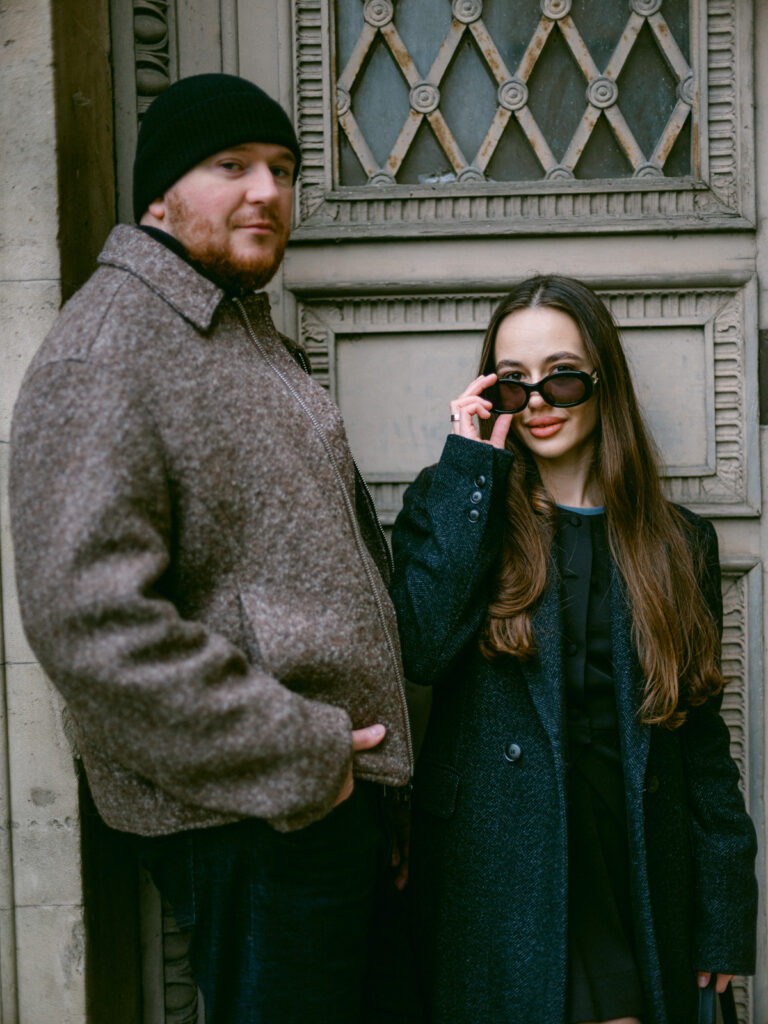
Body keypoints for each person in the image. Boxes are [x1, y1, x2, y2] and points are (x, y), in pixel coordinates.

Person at [9, 73, 412, 1024]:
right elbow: (90, 626)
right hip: (257, 820)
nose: (268, 192)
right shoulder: (108, 348)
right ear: (160, 193)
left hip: (319, 812)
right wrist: (307, 755)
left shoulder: (236, 329)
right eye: (231, 166)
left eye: (283, 169)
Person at [389, 275, 757, 1024]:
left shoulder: (676, 542)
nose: (540, 403)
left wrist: (721, 913)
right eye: (514, 383)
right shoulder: (455, 503)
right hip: (500, 871)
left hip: (634, 855)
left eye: (561, 376)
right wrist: (469, 468)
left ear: (601, 379)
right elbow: (420, 650)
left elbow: (702, 741)